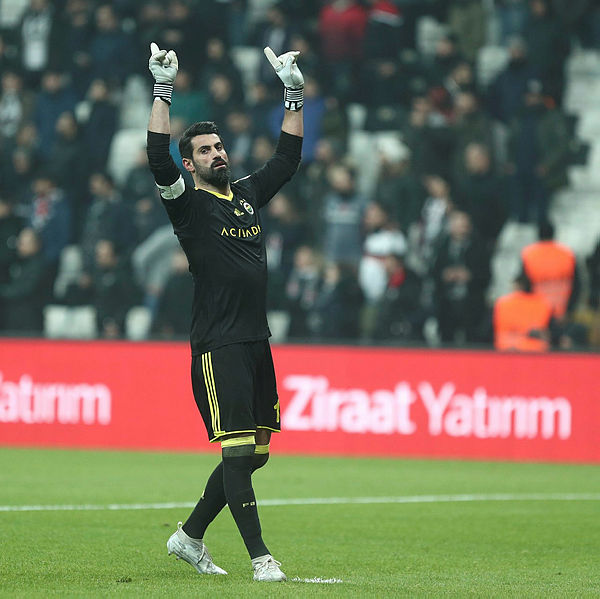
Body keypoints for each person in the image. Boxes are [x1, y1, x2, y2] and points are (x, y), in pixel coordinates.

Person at [147, 41, 304, 582]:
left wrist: (293, 95)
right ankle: (261, 558)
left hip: (256, 339)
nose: (218, 154)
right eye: (206, 151)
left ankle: (189, 537)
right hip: (219, 344)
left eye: (219, 146)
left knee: (254, 454)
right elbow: (156, 158)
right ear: (190, 165)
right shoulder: (188, 206)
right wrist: (163, 90)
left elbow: (287, 160)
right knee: (237, 452)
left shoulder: (245, 194)